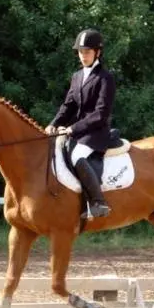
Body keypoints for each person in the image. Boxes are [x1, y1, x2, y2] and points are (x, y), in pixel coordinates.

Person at [45, 28, 116, 219]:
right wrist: (53, 123)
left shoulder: (105, 78)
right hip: (77, 132)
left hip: (96, 133)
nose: (83, 56)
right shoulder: (77, 76)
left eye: (87, 52)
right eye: (80, 52)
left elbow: (101, 113)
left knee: (77, 156)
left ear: (97, 52)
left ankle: (98, 202)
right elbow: (68, 105)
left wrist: (72, 128)